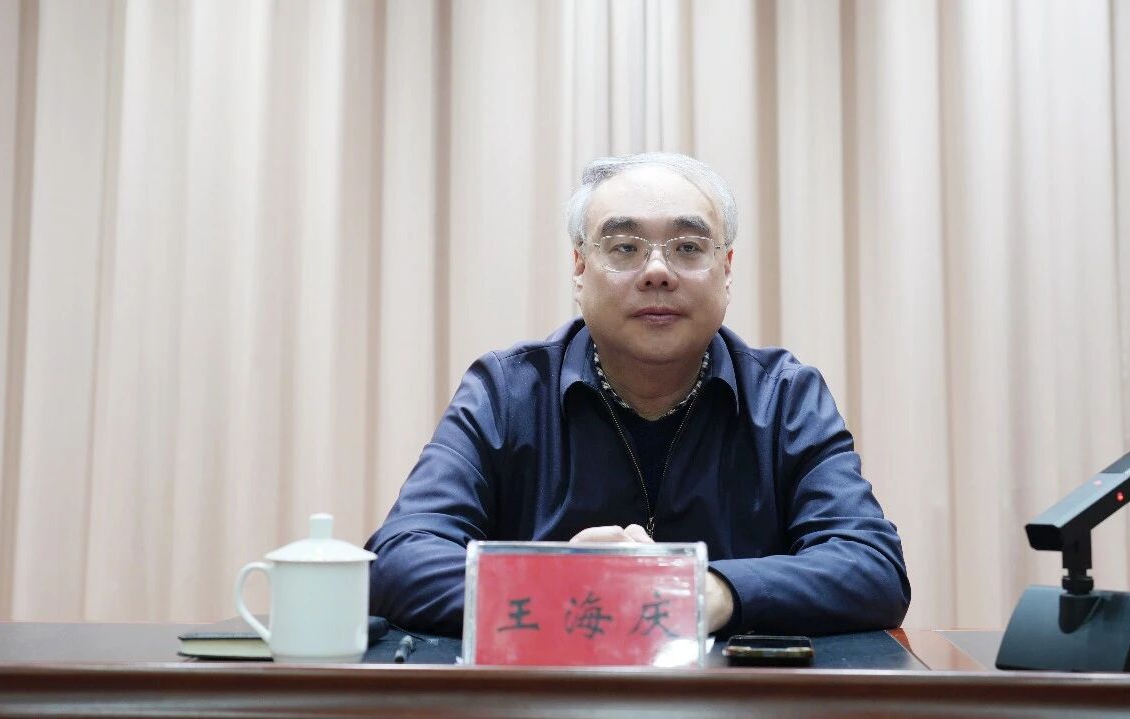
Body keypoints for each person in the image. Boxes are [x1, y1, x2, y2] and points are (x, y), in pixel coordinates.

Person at [367, 153, 909, 636]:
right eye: (624, 247)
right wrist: (553, 584)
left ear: (726, 270)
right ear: (580, 269)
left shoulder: (786, 397)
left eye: (688, 248)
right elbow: (398, 560)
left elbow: (872, 566)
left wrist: (705, 591)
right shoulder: (507, 392)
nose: (656, 272)